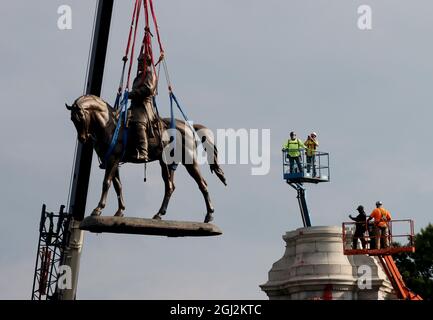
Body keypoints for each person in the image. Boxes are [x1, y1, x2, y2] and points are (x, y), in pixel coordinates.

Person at [128, 51, 158, 162]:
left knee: (138, 123)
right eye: (138, 61)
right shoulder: (139, 76)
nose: (139, 64)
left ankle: (143, 152)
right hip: (135, 107)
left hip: (144, 107)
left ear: (147, 62)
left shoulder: (150, 74)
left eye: (141, 61)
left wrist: (131, 94)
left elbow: (148, 89)